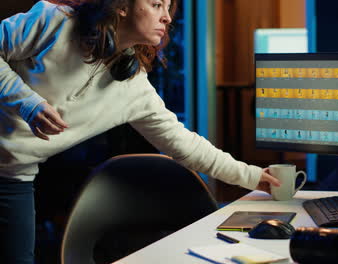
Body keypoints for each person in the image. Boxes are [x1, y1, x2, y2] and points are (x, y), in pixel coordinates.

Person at [0, 1, 281, 263]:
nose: (168, 17)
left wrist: (255, 177)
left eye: (169, 7)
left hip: (13, 179)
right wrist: (27, 102)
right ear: (122, 6)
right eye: (156, 4)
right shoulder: (54, 22)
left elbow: (187, 146)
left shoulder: (135, 90)